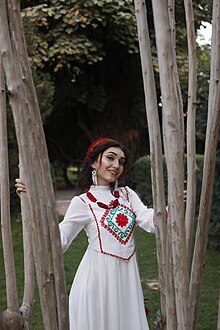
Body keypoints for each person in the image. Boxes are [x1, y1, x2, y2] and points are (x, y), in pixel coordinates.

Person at [16, 138, 156, 330]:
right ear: (94, 162)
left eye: (121, 161)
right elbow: (60, 240)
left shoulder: (127, 195)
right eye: (110, 158)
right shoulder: (82, 202)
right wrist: (34, 204)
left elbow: (150, 221)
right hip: (96, 285)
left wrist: (172, 207)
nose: (116, 165)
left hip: (127, 283)